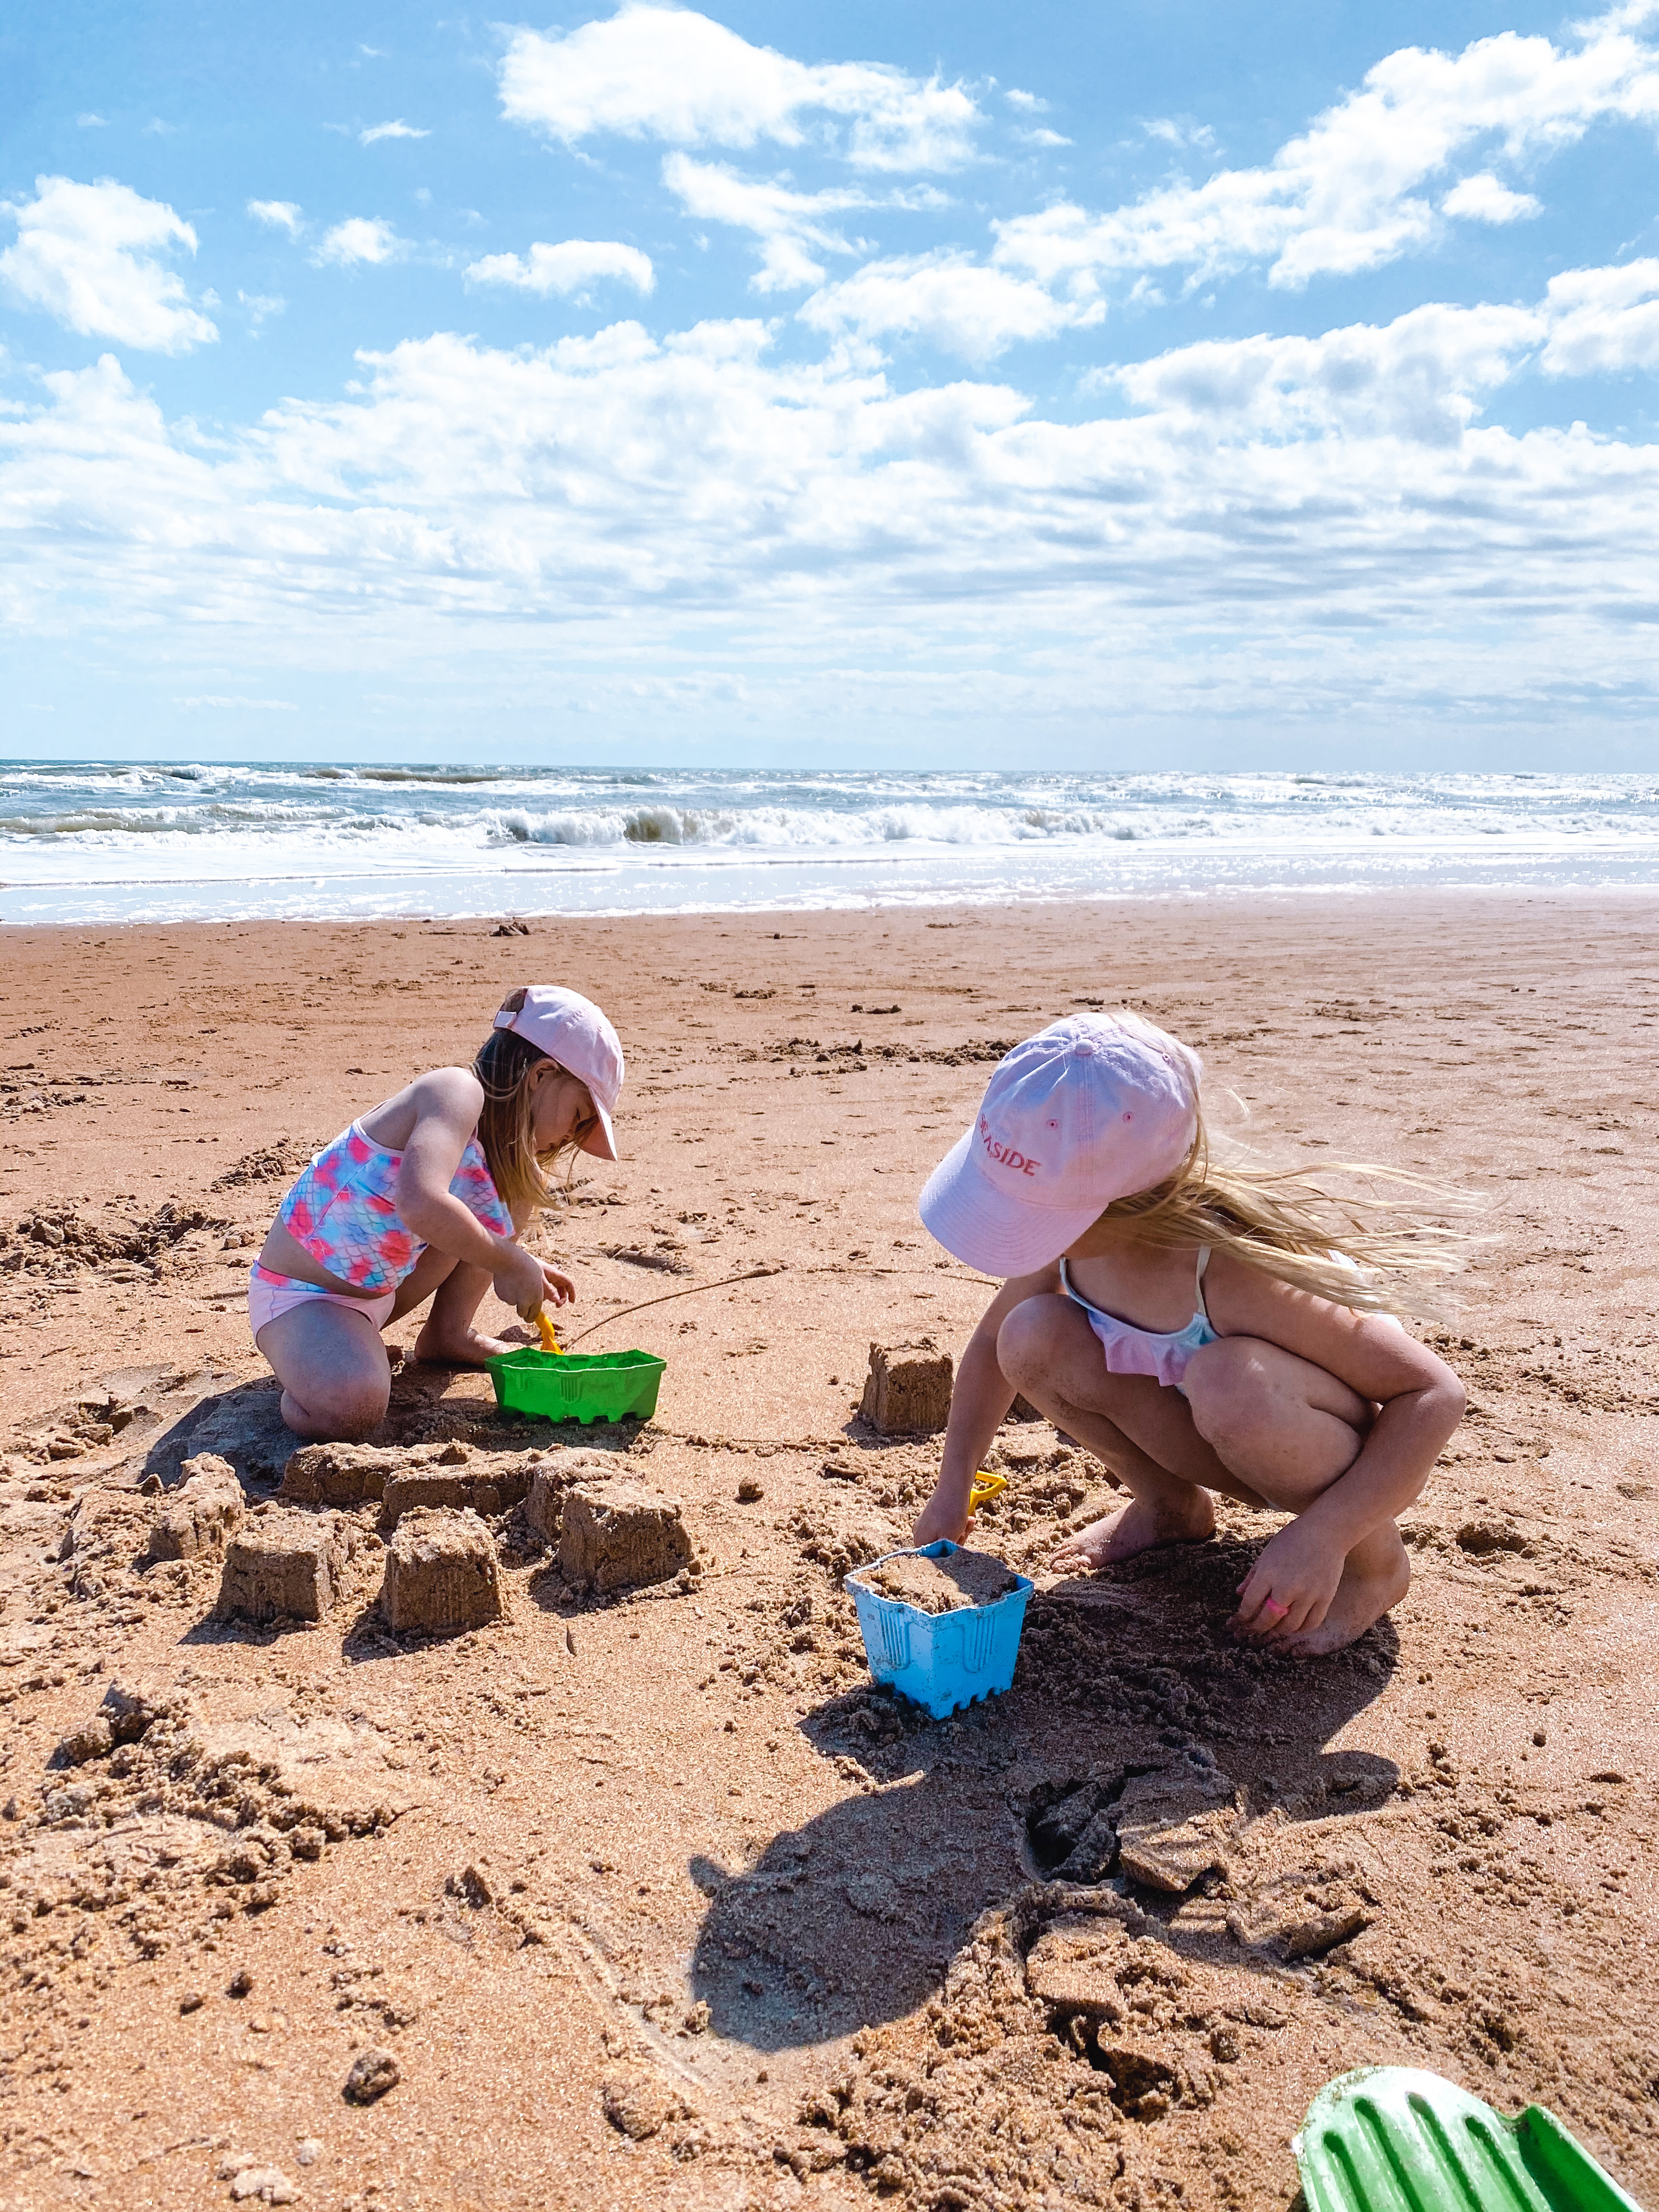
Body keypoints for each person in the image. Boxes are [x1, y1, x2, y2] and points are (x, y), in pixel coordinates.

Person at [911, 1012, 1468, 1655]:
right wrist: (952, 1490)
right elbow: (989, 1350)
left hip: (1324, 1461)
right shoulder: (1073, 1238)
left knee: (1231, 1381)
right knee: (1028, 1332)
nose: (1024, 1232)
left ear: (1128, 1203)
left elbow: (1432, 1394)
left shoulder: (1237, 1273)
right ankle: (1170, 1506)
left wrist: (1326, 1535)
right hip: (1207, 1433)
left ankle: (1378, 1570)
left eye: (1034, 1214)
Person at [249, 985, 623, 1442]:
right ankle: (306, 1378)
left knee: (519, 1189)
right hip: (305, 1296)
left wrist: (517, 1260)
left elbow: (453, 1227)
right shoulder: (453, 1091)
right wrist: (506, 1260)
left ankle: (448, 1334)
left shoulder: (493, 1154)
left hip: (379, 1293)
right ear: (542, 1075)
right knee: (354, 1405)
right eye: (579, 1117)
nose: (572, 1138)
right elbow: (421, 1203)